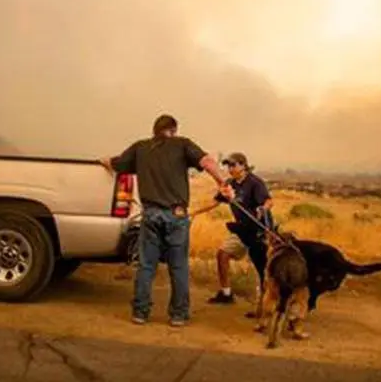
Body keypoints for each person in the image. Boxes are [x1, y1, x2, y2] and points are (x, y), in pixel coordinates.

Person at [100, 114, 228, 327]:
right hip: (176, 215)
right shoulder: (182, 144)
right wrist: (223, 182)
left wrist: (104, 161)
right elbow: (207, 161)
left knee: (146, 266)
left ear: (154, 130)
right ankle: (178, 315)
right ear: (174, 130)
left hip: (150, 214)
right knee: (178, 267)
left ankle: (140, 313)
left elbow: (117, 164)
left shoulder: (141, 148)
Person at [191, 153, 274, 307]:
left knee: (262, 268)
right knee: (223, 254)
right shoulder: (230, 184)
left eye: (233, 165)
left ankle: (264, 305)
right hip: (241, 230)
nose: (230, 169)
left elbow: (268, 201)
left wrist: (263, 208)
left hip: (258, 231)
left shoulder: (255, 183)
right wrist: (194, 212)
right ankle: (226, 293)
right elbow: (215, 202)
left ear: (243, 166)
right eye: (228, 165)